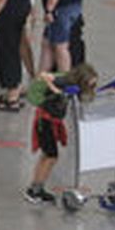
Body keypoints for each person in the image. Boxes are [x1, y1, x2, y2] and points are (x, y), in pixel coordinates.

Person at [23, 64, 101, 205]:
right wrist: (58, 91)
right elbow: (44, 76)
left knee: (47, 155)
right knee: (51, 156)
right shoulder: (64, 81)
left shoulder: (72, 86)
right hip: (45, 121)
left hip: (49, 120)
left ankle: (36, 187)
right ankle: (35, 190)